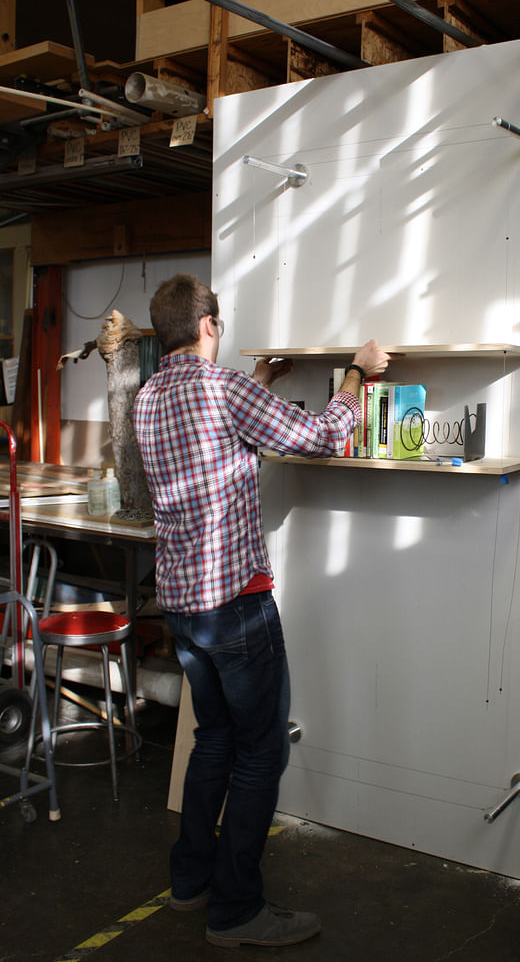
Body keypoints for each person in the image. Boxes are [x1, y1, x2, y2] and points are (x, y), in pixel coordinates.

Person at [132, 272, 391, 949]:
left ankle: (189, 884)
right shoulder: (225, 389)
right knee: (261, 752)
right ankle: (237, 909)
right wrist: (354, 377)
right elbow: (321, 438)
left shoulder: (149, 395)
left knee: (213, 740)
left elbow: (209, 441)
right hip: (237, 607)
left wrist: (262, 387)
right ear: (210, 326)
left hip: (185, 608)